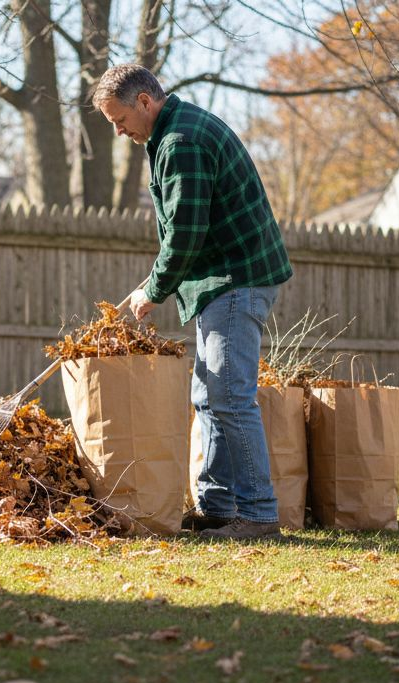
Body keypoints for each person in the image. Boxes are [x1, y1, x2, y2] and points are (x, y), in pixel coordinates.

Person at [94, 63, 293, 540]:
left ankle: (259, 515)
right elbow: (186, 232)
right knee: (208, 396)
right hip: (222, 278)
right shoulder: (174, 132)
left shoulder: (180, 141)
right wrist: (155, 282)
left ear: (145, 101)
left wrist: (154, 290)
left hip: (234, 279)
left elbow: (185, 233)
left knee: (229, 396)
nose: (119, 131)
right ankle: (218, 507)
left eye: (119, 119)